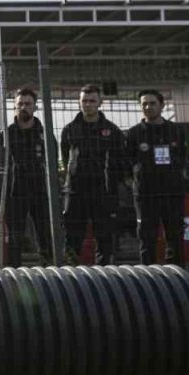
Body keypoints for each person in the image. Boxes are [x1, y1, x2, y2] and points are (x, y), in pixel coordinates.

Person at [59, 84, 125, 265]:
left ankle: (104, 276)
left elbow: (120, 161)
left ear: (100, 103)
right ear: (79, 103)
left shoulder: (112, 131)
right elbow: (66, 158)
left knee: (104, 238)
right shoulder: (69, 130)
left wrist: (111, 182)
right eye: (84, 101)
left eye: (92, 101)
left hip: (103, 192)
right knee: (72, 236)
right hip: (75, 192)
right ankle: (69, 275)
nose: (87, 104)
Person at [125, 90, 189, 267]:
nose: (148, 107)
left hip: (172, 193)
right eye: (144, 104)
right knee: (147, 239)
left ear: (162, 105)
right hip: (146, 195)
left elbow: (183, 158)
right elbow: (127, 163)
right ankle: (148, 279)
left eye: (152, 103)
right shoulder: (133, 134)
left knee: (175, 237)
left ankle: (176, 277)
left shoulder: (176, 131)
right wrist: (135, 181)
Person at [3, 88, 52, 266]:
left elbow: (52, 163)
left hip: (40, 192)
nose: (24, 107)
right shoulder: (6, 135)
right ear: (14, 107)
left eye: (28, 104)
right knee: (15, 238)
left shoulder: (45, 135)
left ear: (35, 107)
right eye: (20, 104)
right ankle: (14, 275)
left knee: (45, 235)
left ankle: (50, 271)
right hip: (14, 194)